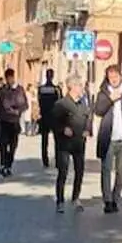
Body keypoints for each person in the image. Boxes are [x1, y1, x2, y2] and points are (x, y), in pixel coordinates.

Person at [93, 64, 122, 214]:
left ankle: (115, 198)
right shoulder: (103, 93)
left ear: (120, 76)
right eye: (110, 77)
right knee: (106, 170)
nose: (113, 79)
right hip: (108, 138)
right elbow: (98, 111)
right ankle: (107, 201)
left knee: (121, 171)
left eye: (115, 76)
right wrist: (110, 100)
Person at [48, 77, 91, 213]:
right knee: (63, 172)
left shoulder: (83, 104)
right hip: (64, 144)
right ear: (72, 87)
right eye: (79, 86)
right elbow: (53, 122)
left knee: (79, 171)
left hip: (79, 143)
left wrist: (88, 130)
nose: (81, 89)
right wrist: (62, 129)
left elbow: (88, 118)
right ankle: (60, 201)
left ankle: (75, 198)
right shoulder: (61, 104)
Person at [0, 68, 27, 176]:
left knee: (13, 146)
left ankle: (9, 164)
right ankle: (3, 165)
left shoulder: (19, 90)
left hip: (14, 122)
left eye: (11, 78)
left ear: (13, 77)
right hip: (3, 121)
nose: (9, 80)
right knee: (3, 145)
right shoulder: (2, 90)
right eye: (7, 78)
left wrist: (18, 110)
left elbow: (25, 104)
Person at [36, 69, 61, 168]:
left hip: (44, 117)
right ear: (53, 76)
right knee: (57, 140)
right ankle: (58, 160)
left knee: (44, 140)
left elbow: (39, 101)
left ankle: (45, 159)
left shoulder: (41, 89)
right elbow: (60, 102)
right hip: (54, 117)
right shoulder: (57, 89)